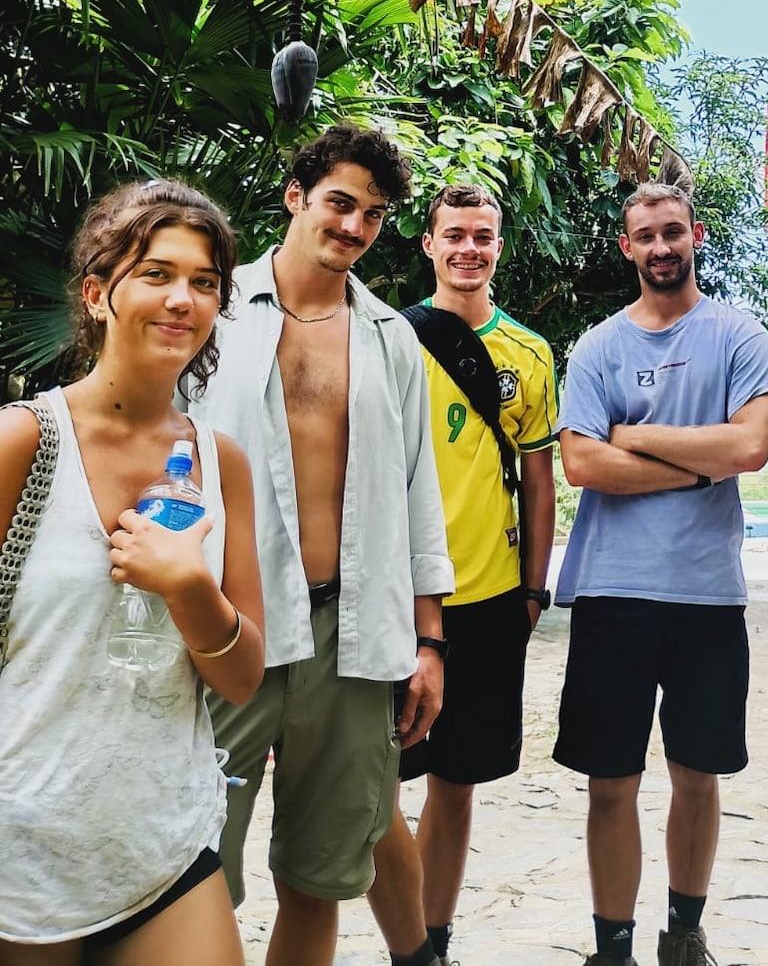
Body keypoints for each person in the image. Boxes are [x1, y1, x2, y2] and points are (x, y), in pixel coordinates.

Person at [182, 125, 454, 966]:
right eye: (340, 202)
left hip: (351, 634)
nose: (354, 226)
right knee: (192, 865)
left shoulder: (389, 337)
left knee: (323, 871)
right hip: (232, 623)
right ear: (296, 196)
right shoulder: (211, 309)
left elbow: (418, 494)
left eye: (372, 214)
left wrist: (430, 638)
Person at [0, 180, 265, 963]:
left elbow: (246, 676)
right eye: (155, 272)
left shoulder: (222, 465)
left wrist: (189, 587)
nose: (182, 297)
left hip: (163, 842)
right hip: (24, 850)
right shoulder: (23, 441)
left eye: (205, 281)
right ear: (96, 292)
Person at [554, 182, 768, 966]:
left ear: (696, 235)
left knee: (699, 774)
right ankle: (611, 948)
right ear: (627, 246)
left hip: (706, 596)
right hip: (612, 591)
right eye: (645, 235)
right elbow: (583, 461)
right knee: (609, 783)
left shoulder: (738, 335)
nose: (660, 247)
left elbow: (750, 447)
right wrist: (697, 464)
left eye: (673, 232)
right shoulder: (596, 346)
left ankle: (683, 935)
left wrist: (639, 437)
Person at [368, 184, 558, 966]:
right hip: (393, 598)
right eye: (455, 234)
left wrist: (536, 586)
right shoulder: (388, 338)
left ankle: (433, 943)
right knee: (378, 786)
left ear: (499, 246)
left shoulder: (532, 351)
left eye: (483, 235)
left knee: (457, 780)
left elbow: (540, 477)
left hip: (488, 595)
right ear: (428, 244)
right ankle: (407, 940)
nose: (468, 248)